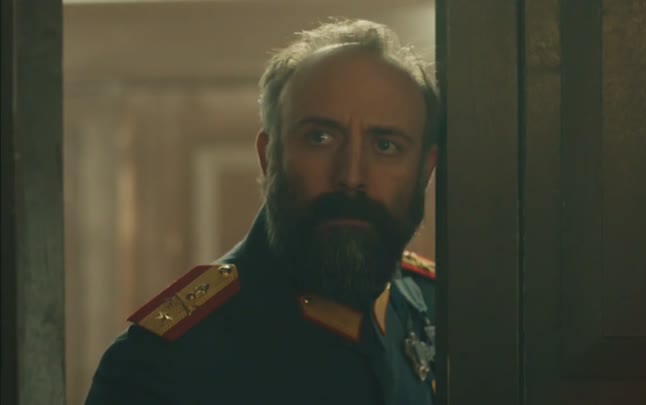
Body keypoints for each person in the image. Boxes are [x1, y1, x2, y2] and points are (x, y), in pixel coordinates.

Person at [86, 18, 440, 405]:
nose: (352, 176)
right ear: (268, 157)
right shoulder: (162, 365)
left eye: (386, 146)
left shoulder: (444, 306)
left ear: (425, 170)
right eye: (320, 138)